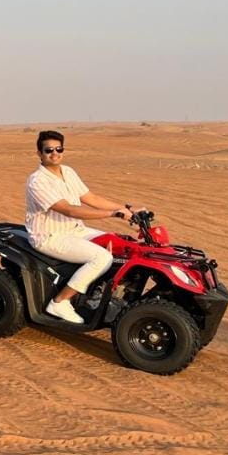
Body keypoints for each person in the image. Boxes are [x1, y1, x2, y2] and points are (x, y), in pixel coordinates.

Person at [25, 130, 136, 324]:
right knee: (101, 257)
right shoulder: (37, 181)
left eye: (58, 149)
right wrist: (113, 214)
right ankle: (60, 301)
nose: (54, 153)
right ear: (39, 153)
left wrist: (127, 209)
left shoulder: (67, 172)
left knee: (119, 245)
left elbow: (91, 198)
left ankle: (101, 296)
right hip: (50, 236)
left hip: (75, 230)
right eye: (48, 150)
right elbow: (69, 210)